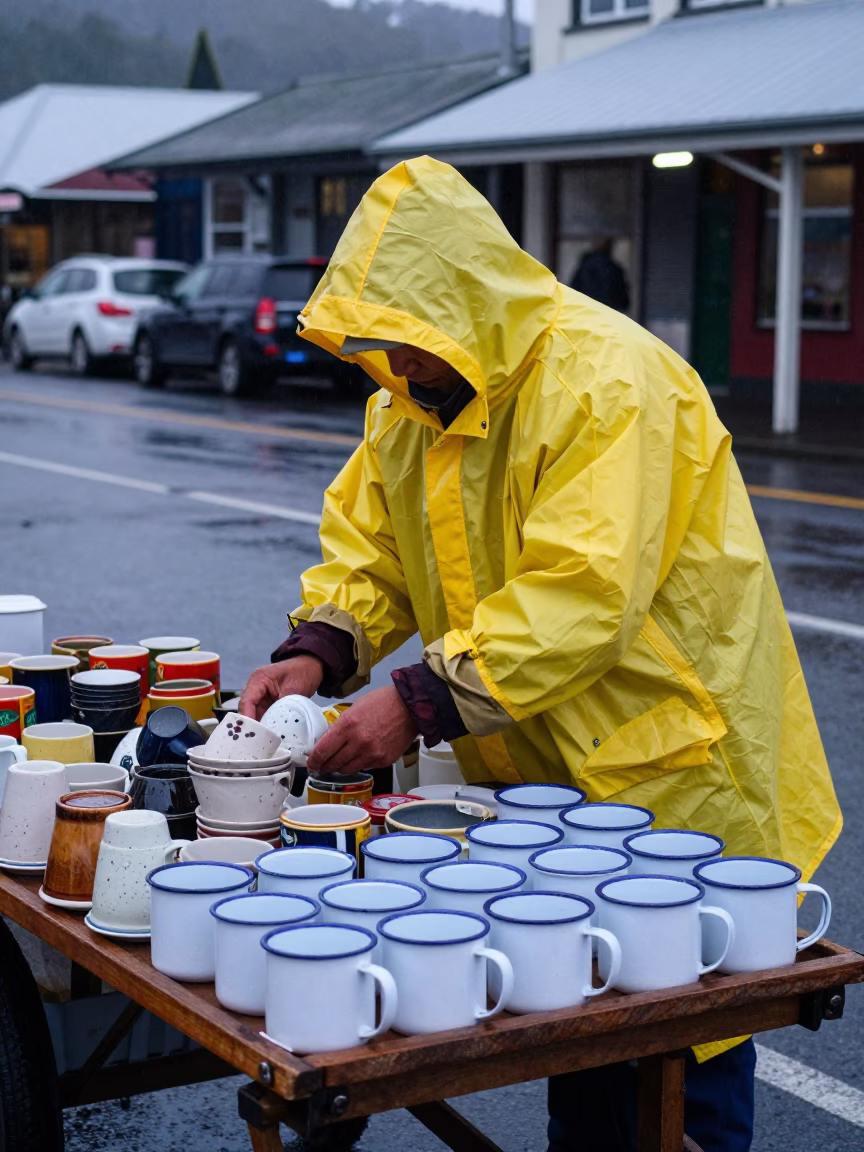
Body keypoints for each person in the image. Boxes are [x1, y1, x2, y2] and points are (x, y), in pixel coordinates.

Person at [239, 156, 840, 1152]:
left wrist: (420, 702)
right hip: (547, 784)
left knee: (680, 1044)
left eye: (404, 344)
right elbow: (374, 550)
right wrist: (321, 648)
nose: (392, 367)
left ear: (459, 308)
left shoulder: (607, 377)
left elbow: (583, 594)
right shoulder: (411, 401)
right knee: (585, 1040)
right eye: (377, 347)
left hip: (677, 775)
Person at [571, 236, 630, 313]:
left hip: (586, 311)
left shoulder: (585, 266)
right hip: (606, 313)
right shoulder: (613, 268)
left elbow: (574, 289)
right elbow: (622, 299)